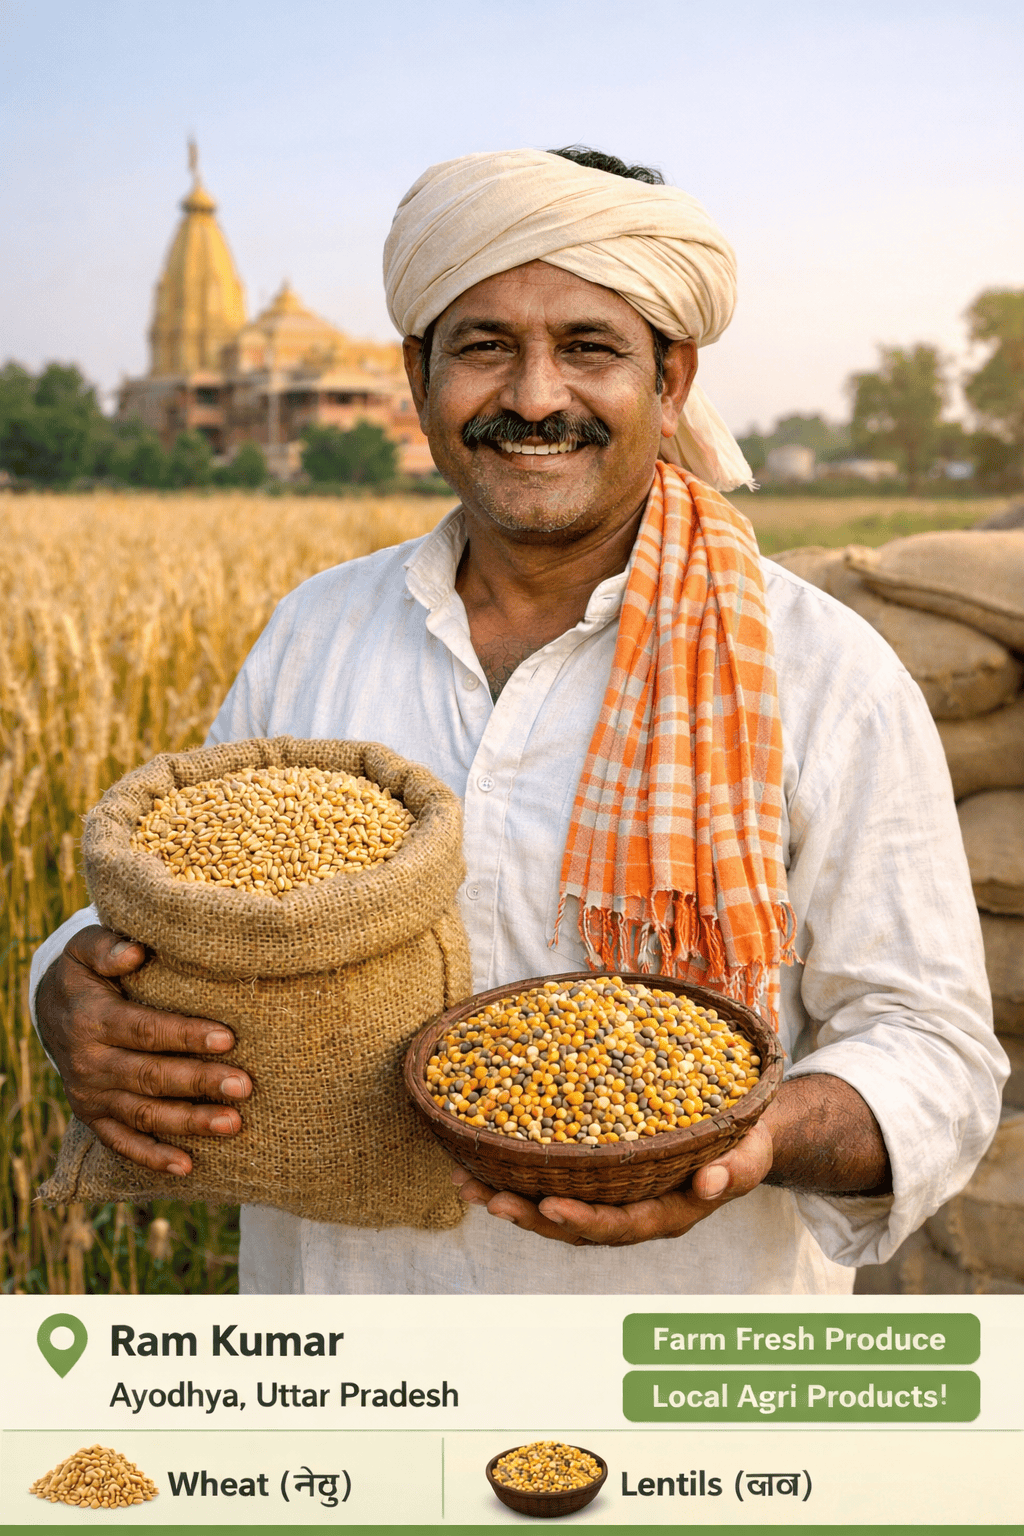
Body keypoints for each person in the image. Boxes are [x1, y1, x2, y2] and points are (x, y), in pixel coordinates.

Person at [32, 146, 1006, 1295]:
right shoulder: (317, 632)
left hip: (677, 1386)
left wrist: (749, 1140)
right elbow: (163, 914)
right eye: (485, 346)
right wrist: (69, 995)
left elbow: (933, 1051)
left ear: (672, 377)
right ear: (417, 374)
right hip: (349, 1366)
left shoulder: (819, 669)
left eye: (588, 348)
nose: (534, 397)